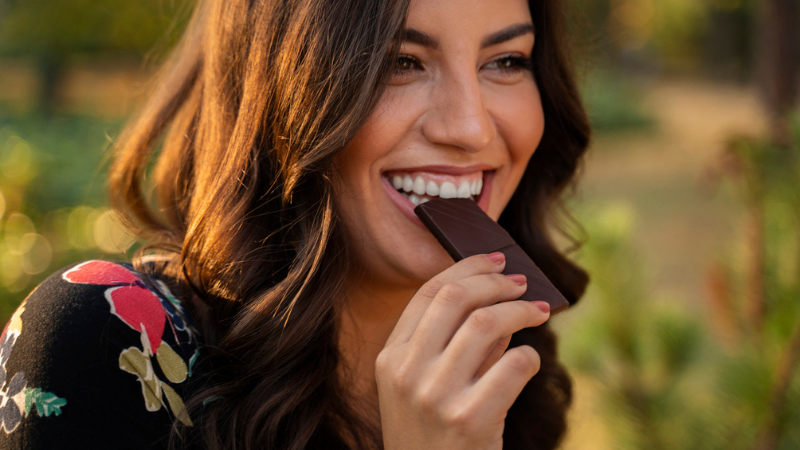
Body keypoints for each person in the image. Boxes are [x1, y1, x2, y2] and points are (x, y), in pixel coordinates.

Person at [0, 0, 590, 447]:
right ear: (279, 90)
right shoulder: (102, 343)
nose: (469, 128)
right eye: (400, 62)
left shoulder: (507, 369)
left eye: (507, 61)